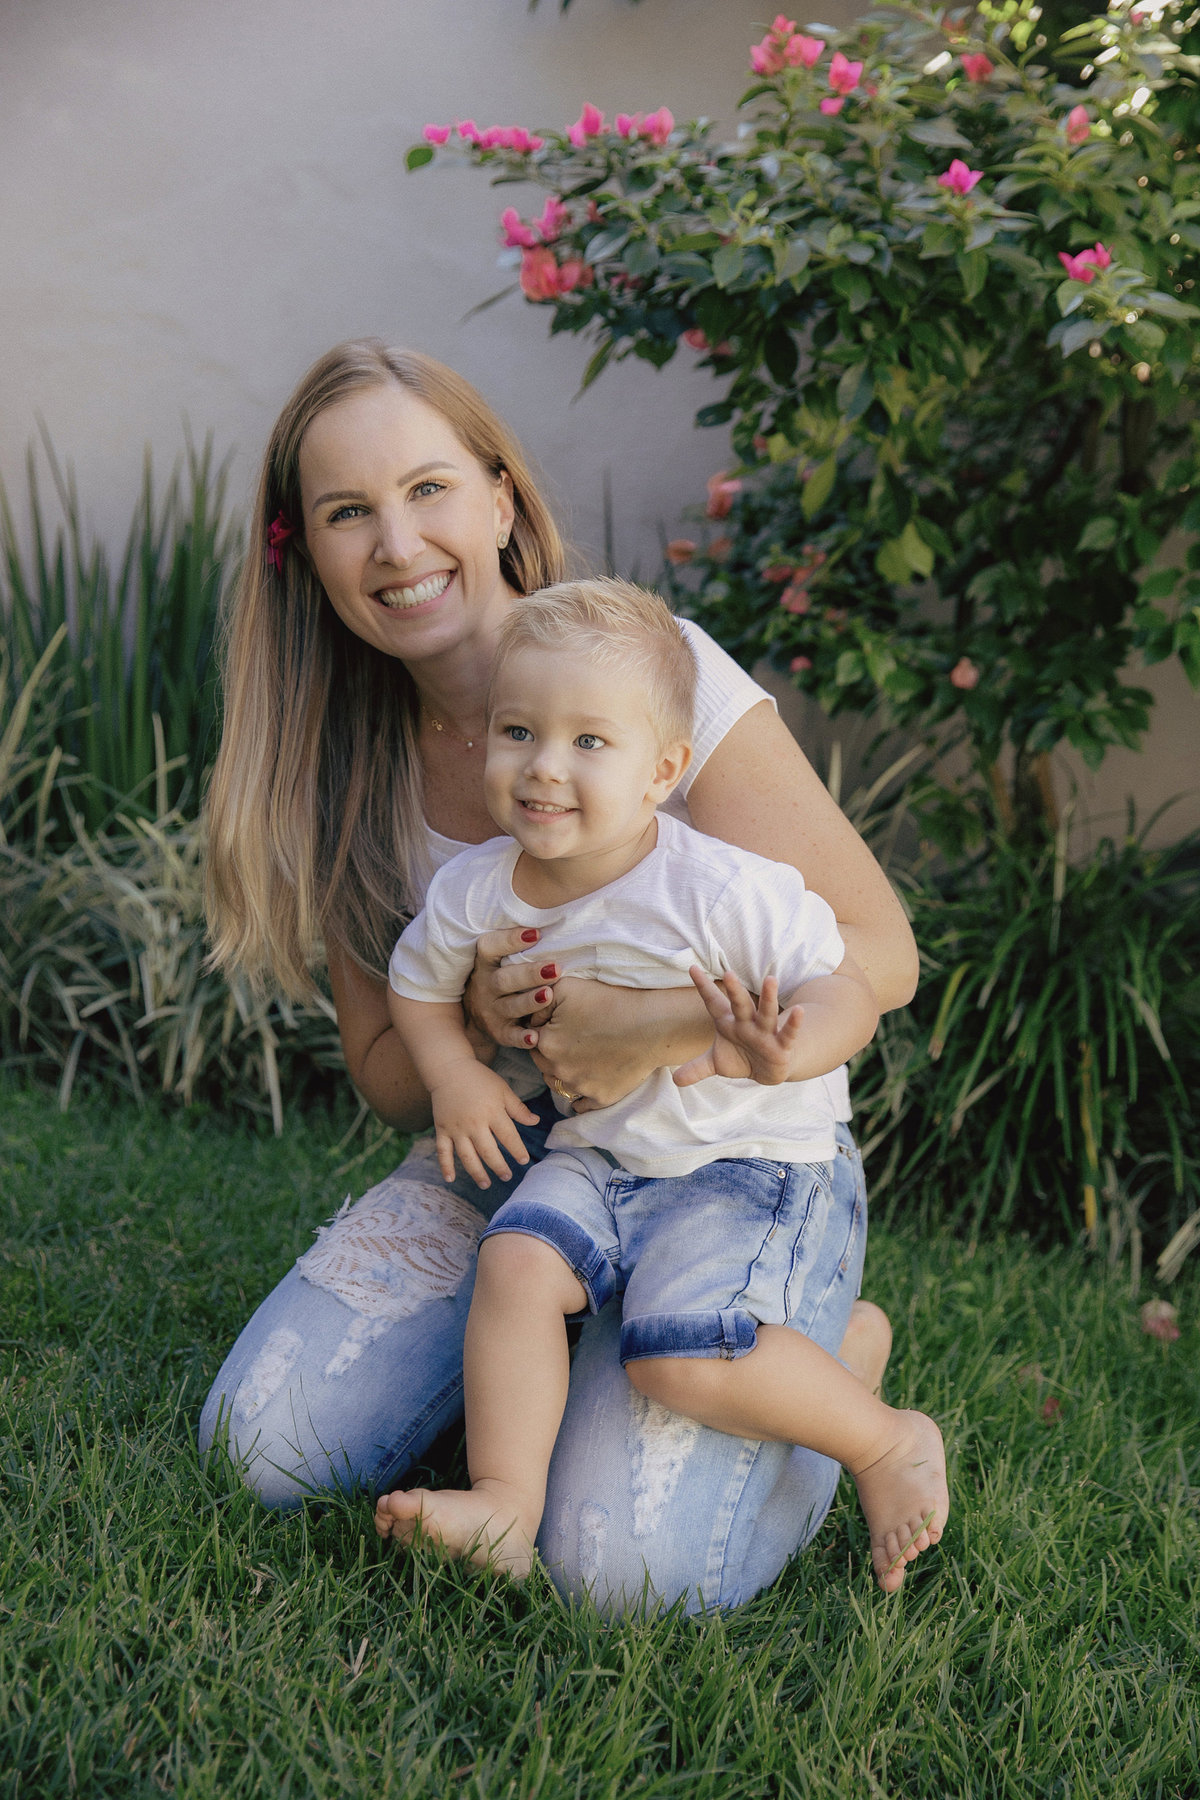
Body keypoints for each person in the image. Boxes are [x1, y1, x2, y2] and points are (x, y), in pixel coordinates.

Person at [200, 338, 920, 1615]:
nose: (398, 545)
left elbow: (880, 951)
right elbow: (389, 1077)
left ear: (501, 499)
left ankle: (833, 1368)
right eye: (348, 512)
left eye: (428, 489)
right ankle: (548, 1375)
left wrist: (652, 1026)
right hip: (516, 1156)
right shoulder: (342, 768)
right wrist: (472, 1028)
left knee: (624, 1575)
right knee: (263, 1447)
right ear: (304, 550)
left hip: (715, 1146)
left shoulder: (649, 675)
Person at [372, 578, 946, 1594]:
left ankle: (882, 1437)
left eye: (589, 741)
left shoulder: (720, 888)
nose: (545, 766)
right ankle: (505, 1502)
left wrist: (787, 1046)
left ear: (664, 771)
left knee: (675, 1359)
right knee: (515, 1262)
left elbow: (849, 986)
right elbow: (414, 985)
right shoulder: (478, 889)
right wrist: (455, 1072)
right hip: (602, 1153)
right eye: (518, 732)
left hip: (747, 1163)